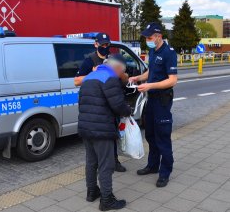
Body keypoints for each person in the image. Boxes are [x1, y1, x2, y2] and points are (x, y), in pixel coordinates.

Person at [78, 54, 132, 211]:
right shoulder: (110, 78)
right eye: (122, 72)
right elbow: (118, 105)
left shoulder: (89, 77)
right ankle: (107, 200)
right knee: (106, 165)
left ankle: (92, 192)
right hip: (101, 129)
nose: (121, 75)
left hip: (85, 127)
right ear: (117, 68)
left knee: (91, 161)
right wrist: (128, 110)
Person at [129, 22, 178, 188]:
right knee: (150, 134)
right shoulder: (152, 50)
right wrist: (138, 78)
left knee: (162, 136)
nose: (147, 40)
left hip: (162, 100)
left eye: (149, 37)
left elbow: (173, 80)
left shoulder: (169, 53)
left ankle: (165, 172)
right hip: (151, 99)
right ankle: (152, 165)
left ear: (159, 36)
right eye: (146, 37)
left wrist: (149, 85)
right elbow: (151, 71)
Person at [74, 32, 128, 173]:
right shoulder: (89, 60)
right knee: (99, 144)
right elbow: (77, 81)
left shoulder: (112, 58)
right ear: (96, 44)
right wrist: (93, 72)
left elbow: (124, 77)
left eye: (107, 44)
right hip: (98, 106)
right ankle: (105, 165)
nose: (105, 47)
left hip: (112, 103)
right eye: (102, 44)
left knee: (114, 133)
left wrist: (122, 75)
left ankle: (115, 161)